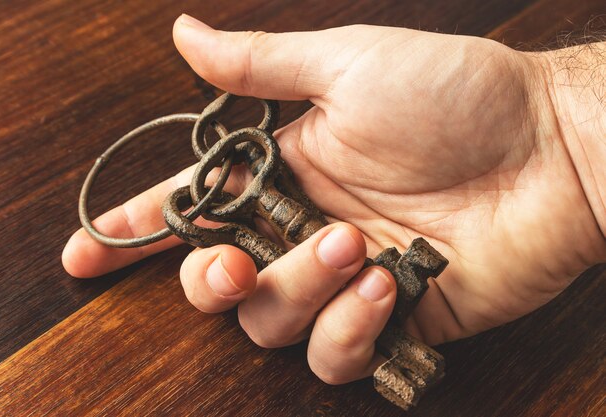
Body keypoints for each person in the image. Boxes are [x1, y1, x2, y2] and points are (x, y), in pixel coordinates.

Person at [62, 15, 606, 386]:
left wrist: (553, 122)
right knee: (267, 271)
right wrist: (567, 146)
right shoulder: (241, 197)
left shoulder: (258, 169)